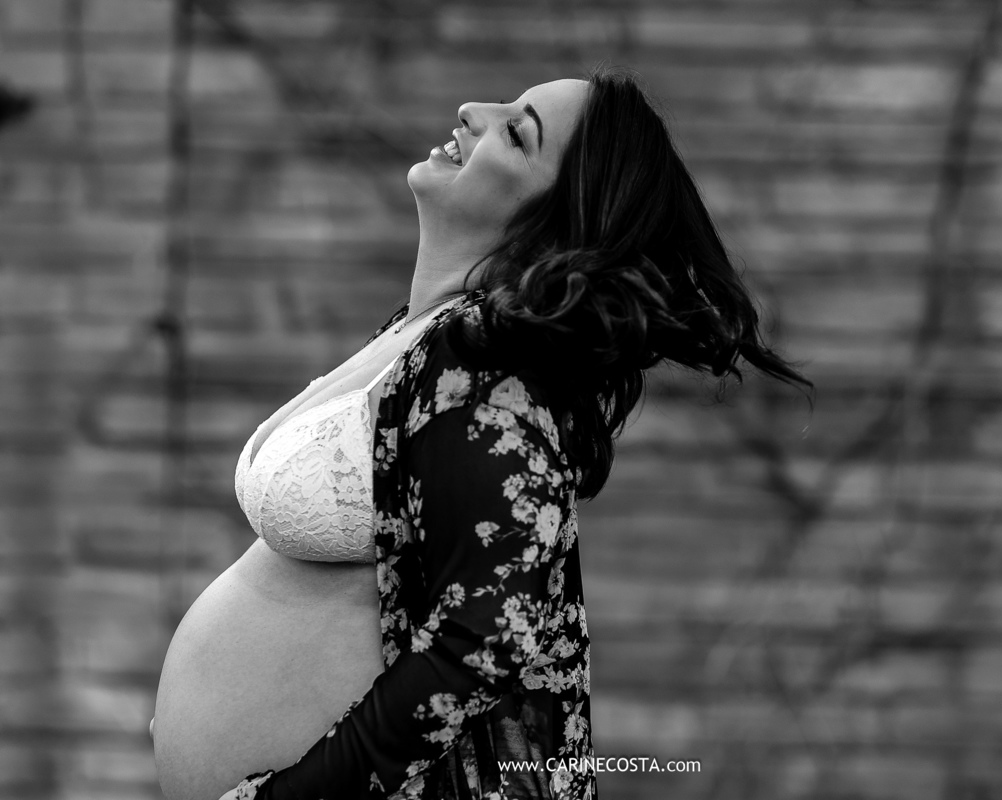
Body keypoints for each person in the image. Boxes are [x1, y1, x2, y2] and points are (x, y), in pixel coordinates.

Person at [152, 63, 813, 800]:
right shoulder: (423, 337)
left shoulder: (485, 368)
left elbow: (487, 638)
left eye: (518, 133)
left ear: (553, 225)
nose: (473, 110)